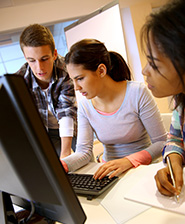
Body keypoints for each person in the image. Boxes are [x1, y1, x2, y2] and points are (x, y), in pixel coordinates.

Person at [61, 38, 167, 179]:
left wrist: (128, 161)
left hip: (142, 170)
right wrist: (60, 166)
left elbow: (162, 143)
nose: (76, 87)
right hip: (109, 173)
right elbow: (84, 152)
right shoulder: (85, 106)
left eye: (80, 78)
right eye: (73, 80)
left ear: (101, 70)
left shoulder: (137, 93)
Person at [141, 0, 185, 198]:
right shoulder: (180, 103)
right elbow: (175, 138)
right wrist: (174, 160)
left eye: (154, 64)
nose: (144, 71)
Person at [16, 24, 77, 159]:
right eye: (32, 61)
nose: (39, 68)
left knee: (84, 166)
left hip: (73, 129)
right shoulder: (20, 80)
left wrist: (65, 153)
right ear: (26, 58)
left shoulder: (66, 71)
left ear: (54, 54)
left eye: (44, 59)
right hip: (46, 132)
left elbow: (66, 112)